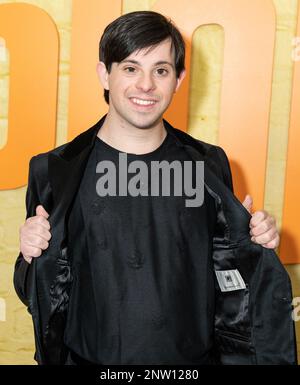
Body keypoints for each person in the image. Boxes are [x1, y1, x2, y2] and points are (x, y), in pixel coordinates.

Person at [14, 11, 295, 365]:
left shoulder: (208, 164)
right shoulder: (54, 169)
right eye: (131, 68)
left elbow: (231, 277)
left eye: (160, 70)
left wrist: (256, 244)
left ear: (178, 79)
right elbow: (32, 293)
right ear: (105, 73)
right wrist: (30, 255)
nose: (146, 85)